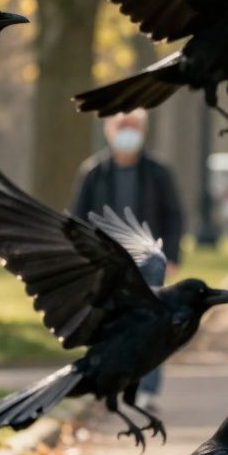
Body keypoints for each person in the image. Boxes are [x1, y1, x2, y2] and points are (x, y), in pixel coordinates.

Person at [69, 108, 184, 407]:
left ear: (143, 130)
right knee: (111, 325)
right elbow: (77, 220)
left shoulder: (158, 173)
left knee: (153, 325)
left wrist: (171, 254)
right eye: (121, 126)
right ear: (110, 131)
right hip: (106, 263)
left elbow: (173, 216)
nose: (127, 133)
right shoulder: (93, 173)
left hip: (149, 261)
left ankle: (147, 389)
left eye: (133, 126)